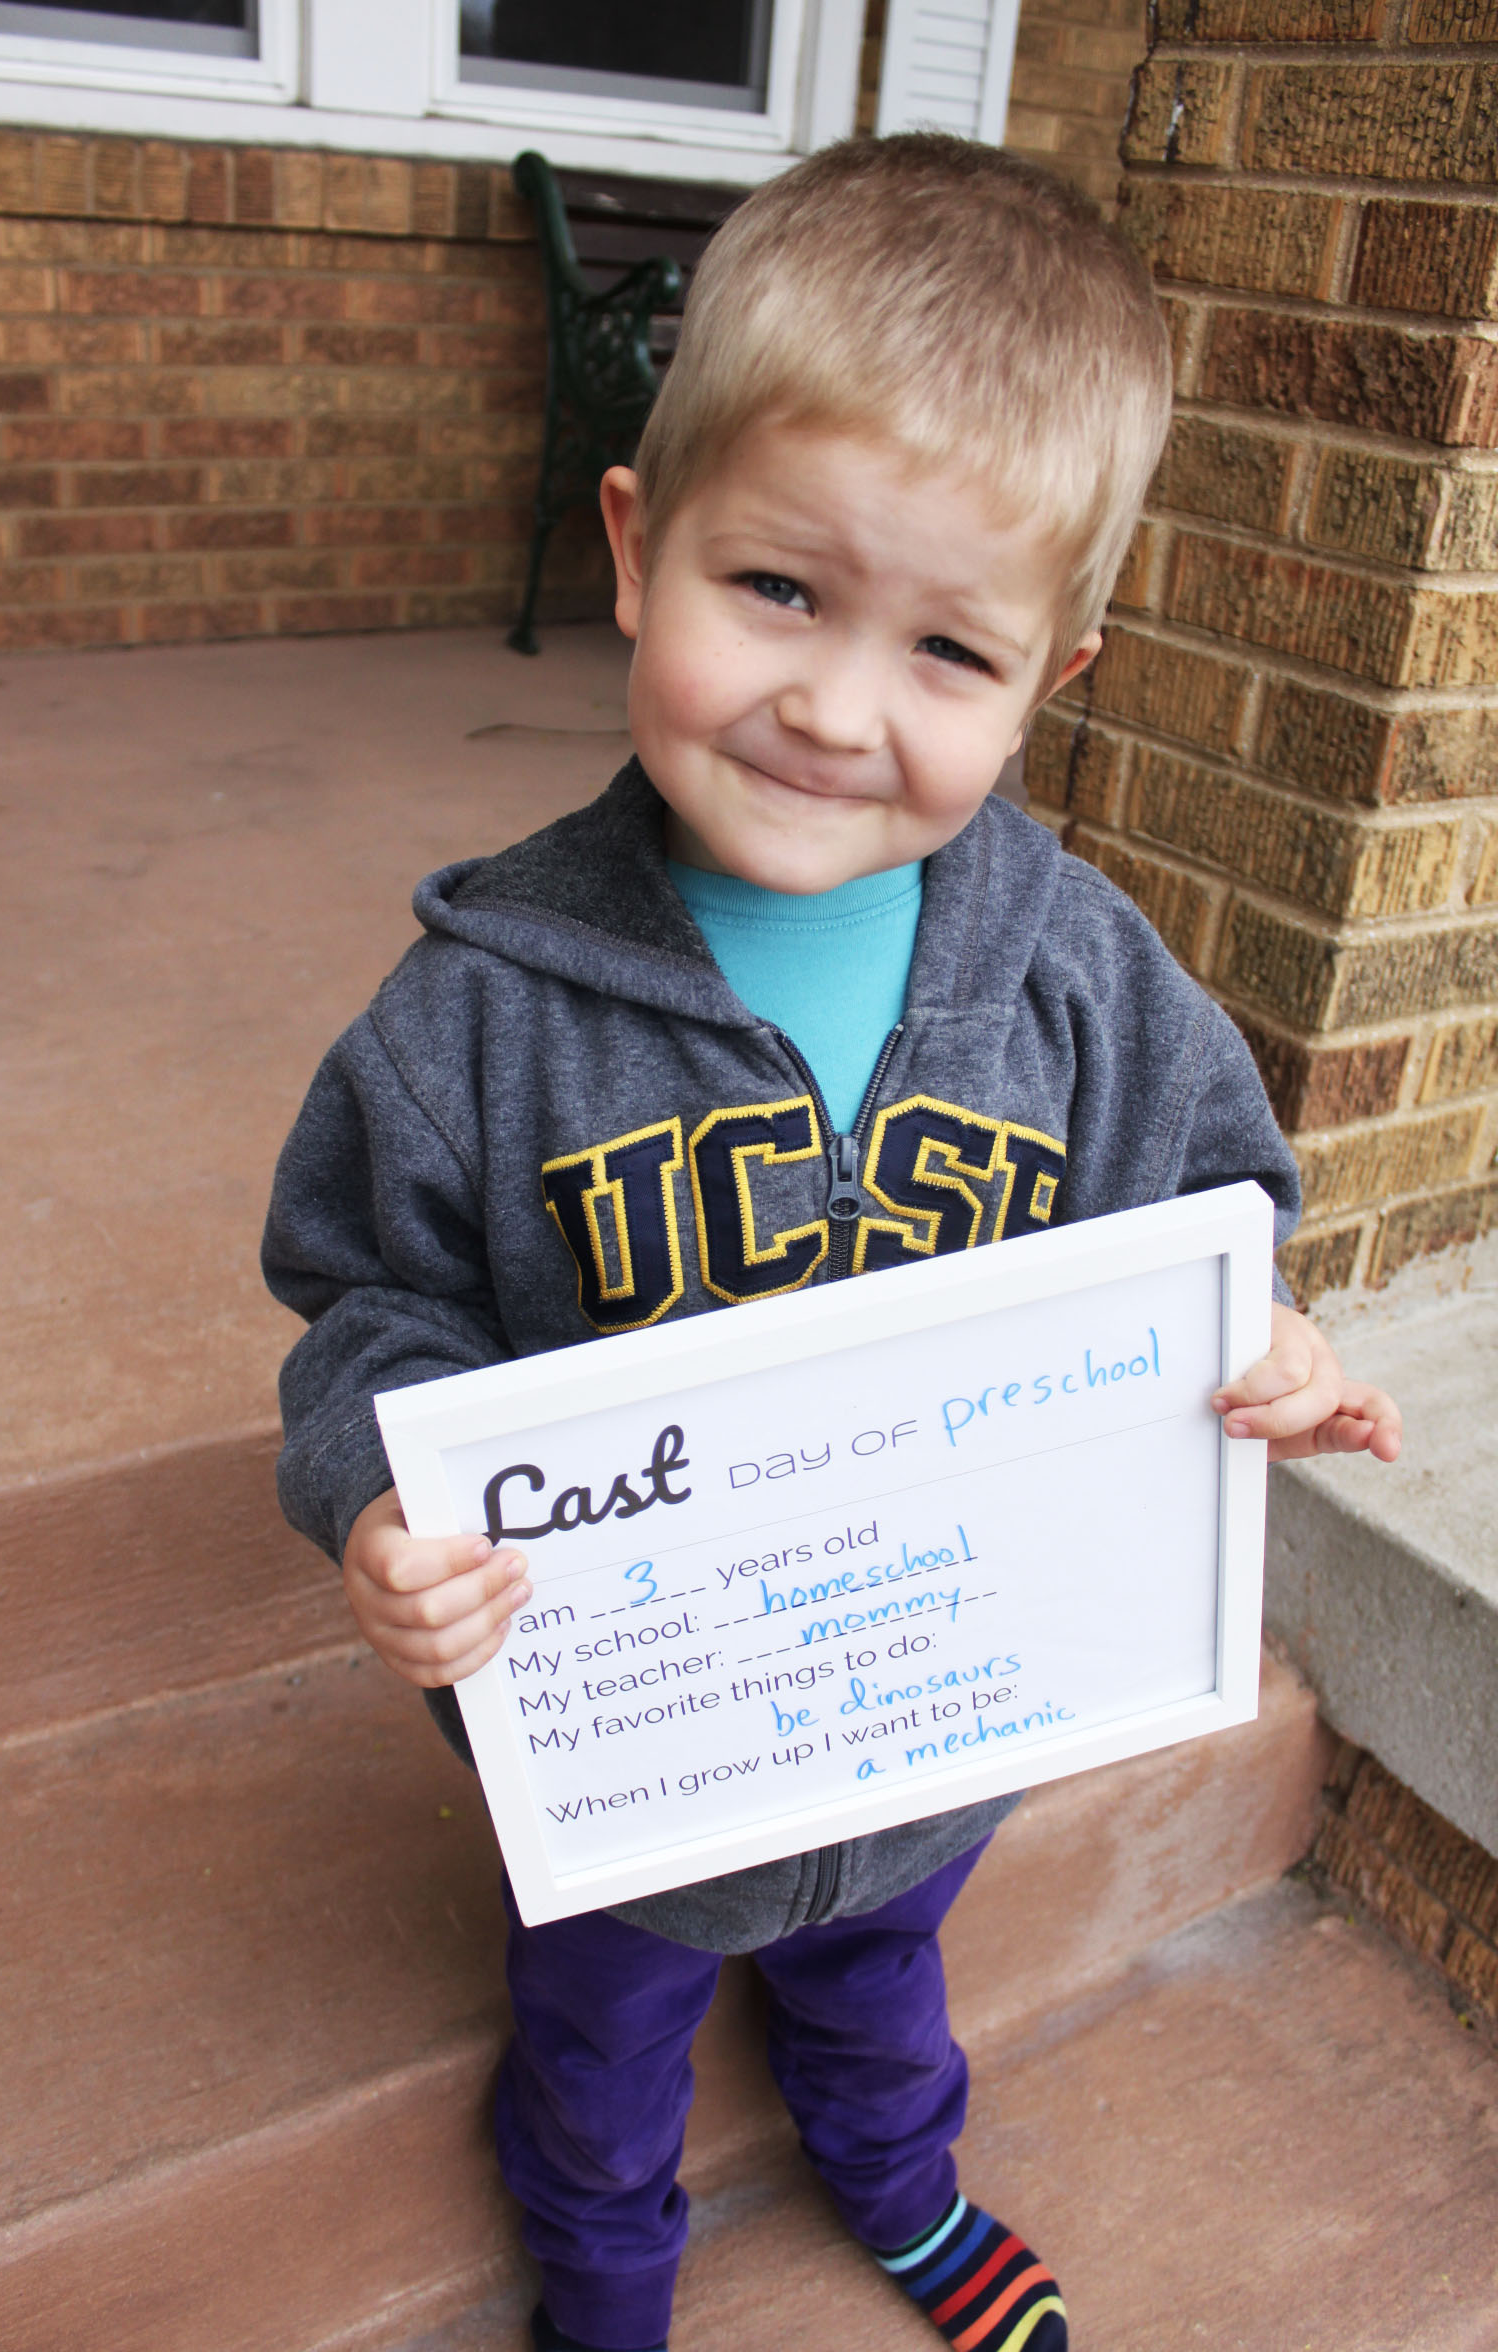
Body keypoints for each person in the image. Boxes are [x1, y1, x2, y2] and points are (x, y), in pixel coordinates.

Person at [262, 135, 1402, 2352]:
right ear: (633, 540)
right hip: (625, 1759)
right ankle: (601, 2284)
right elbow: (367, 1299)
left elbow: (1204, 1201)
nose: (836, 708)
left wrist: (1254, 1324)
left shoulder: (1079, 980)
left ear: (1047, 672)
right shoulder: (477, 1016)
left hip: (926, 1716)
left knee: (884, 1976)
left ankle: (899, 2185)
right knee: (595, 2051)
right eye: (774, 590)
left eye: (946, 649)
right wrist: (378, 1490)